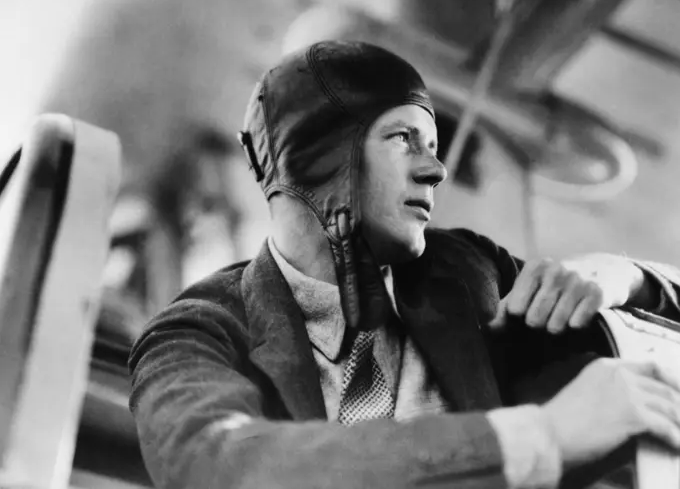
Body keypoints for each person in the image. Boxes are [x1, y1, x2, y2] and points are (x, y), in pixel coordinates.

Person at [128, 40, 680, 489]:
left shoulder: (467, 270)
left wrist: (622, 277)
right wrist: (541, 438)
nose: (436, 169)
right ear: (319, 154)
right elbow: (217, 466)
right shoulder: (197, 331)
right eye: (404, 139)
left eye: (435, 144)